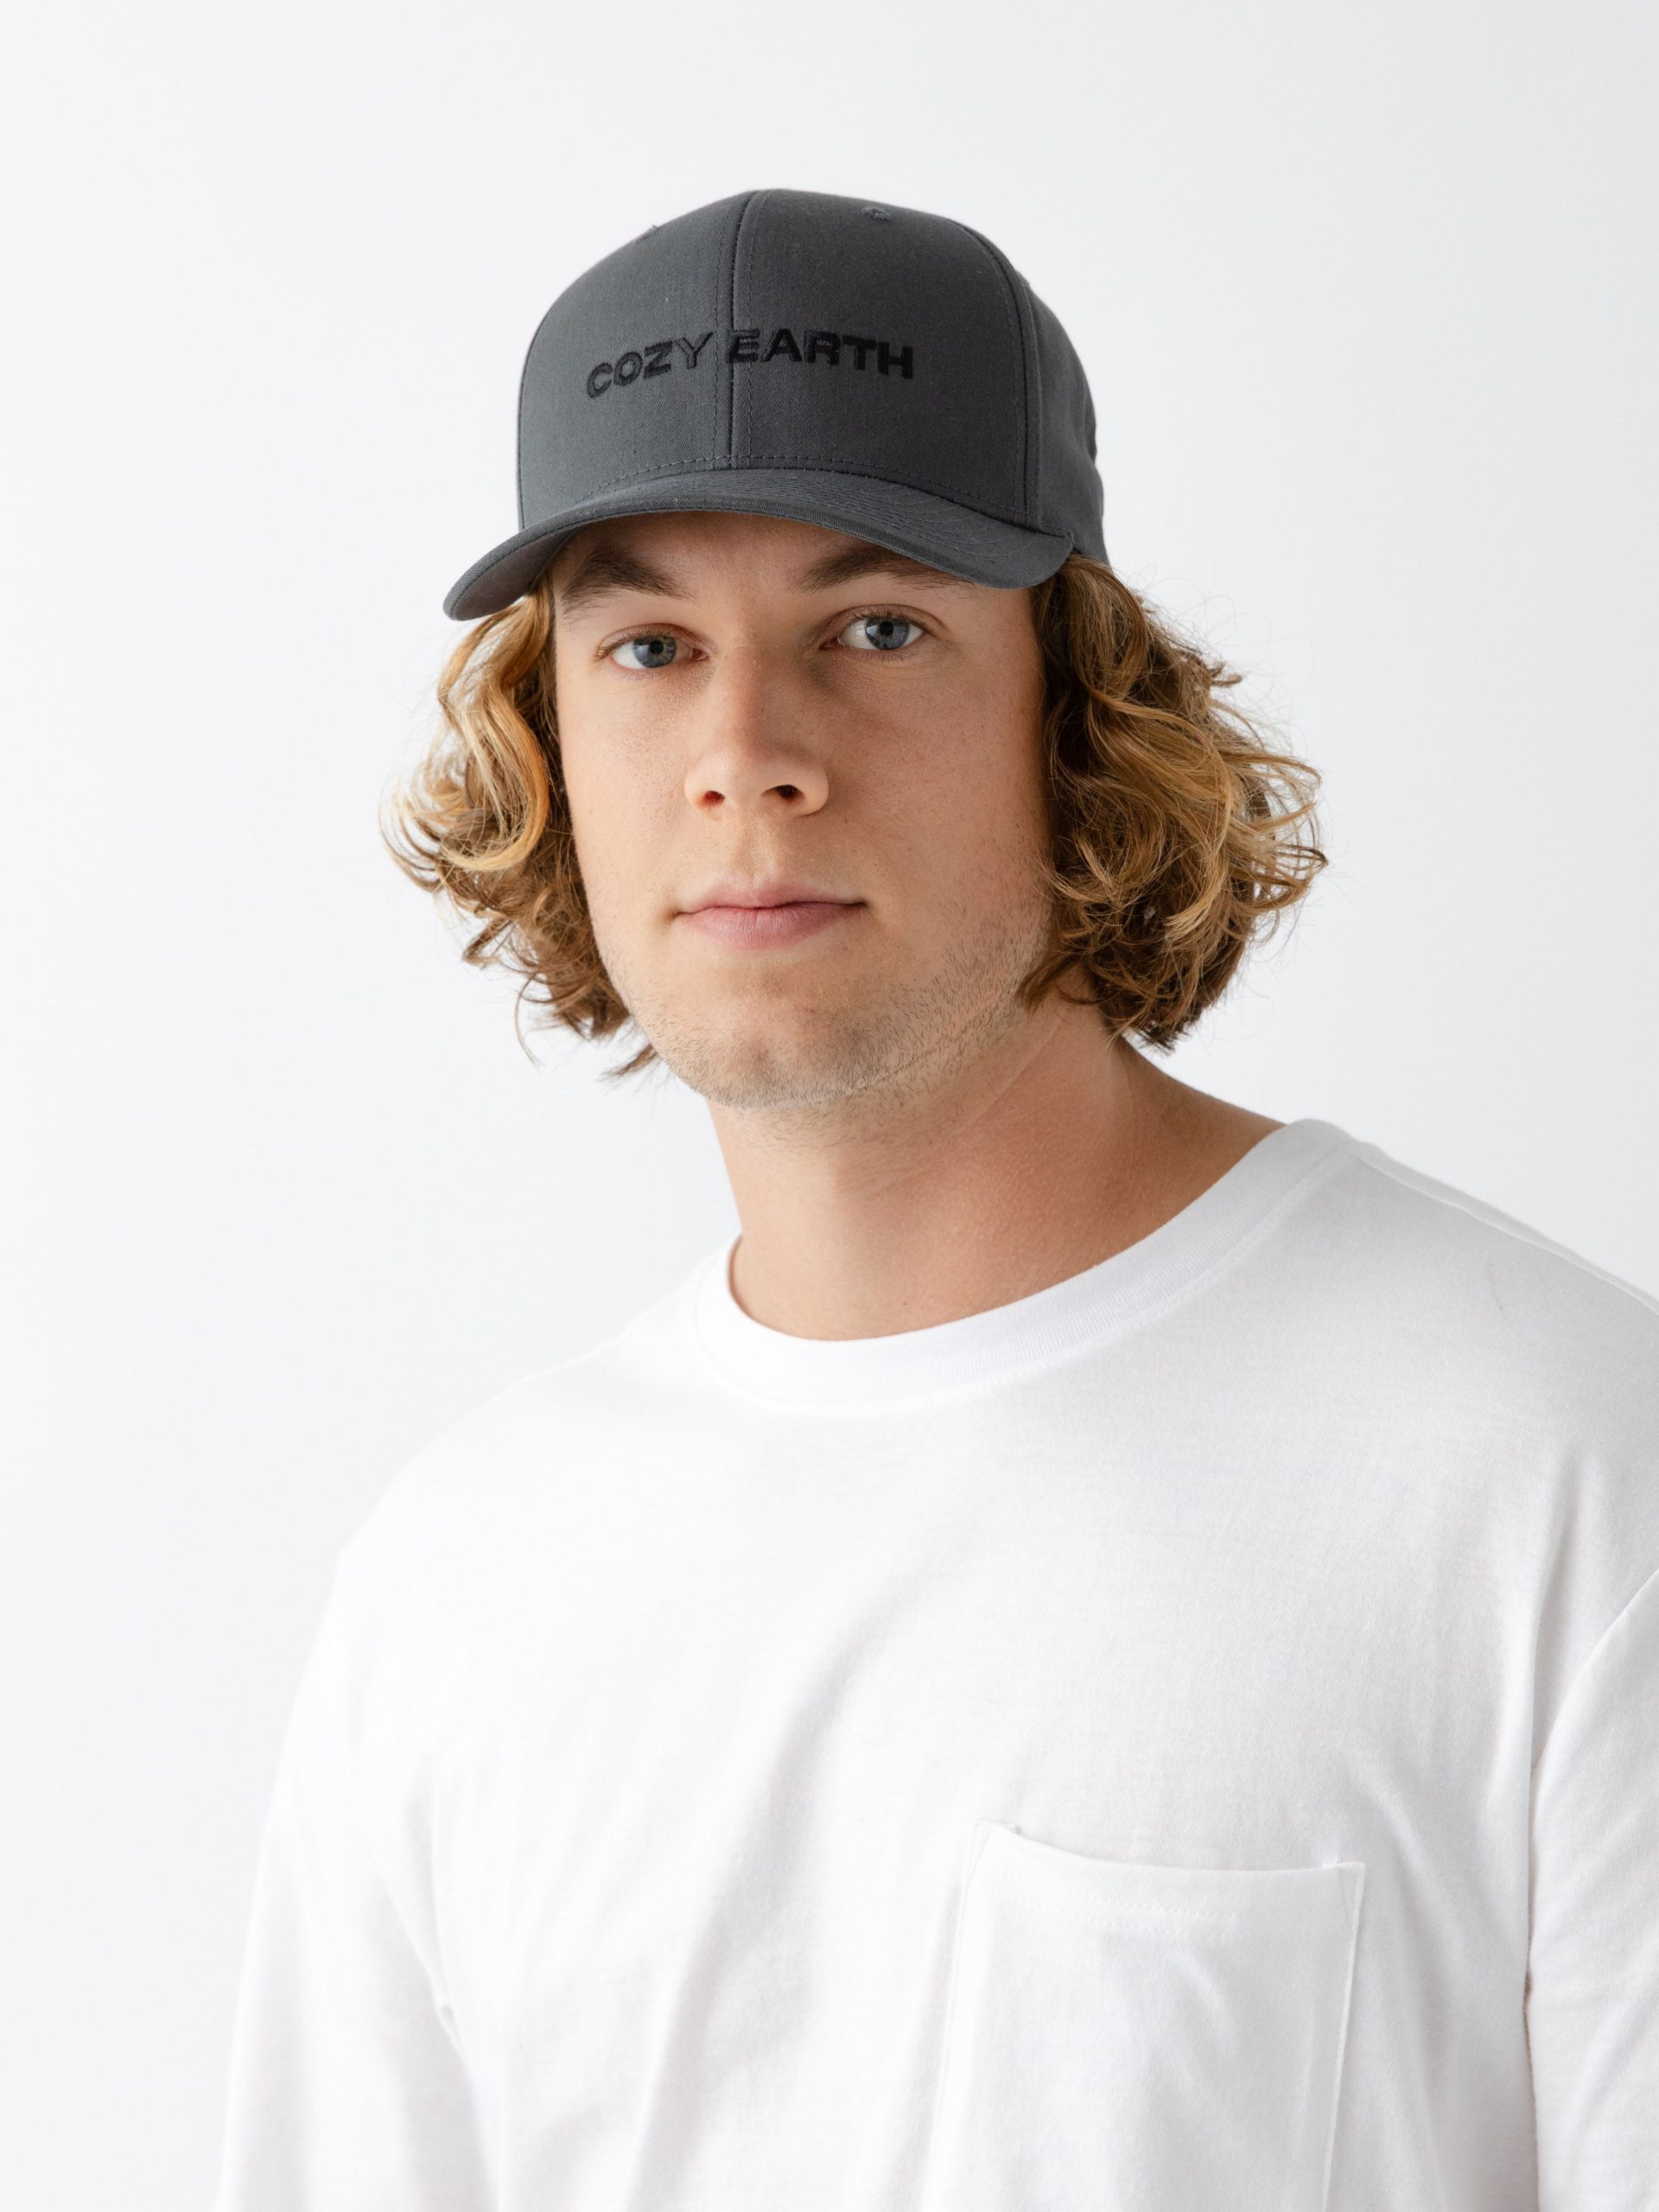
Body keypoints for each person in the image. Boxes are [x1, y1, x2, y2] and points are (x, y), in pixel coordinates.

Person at [209, 188, 1658, 2212]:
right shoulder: (453, 1589)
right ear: (549, 740)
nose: (747, 753)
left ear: (1079, 711)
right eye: (648, 647)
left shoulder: (1557, 1470)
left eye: (876, 627)